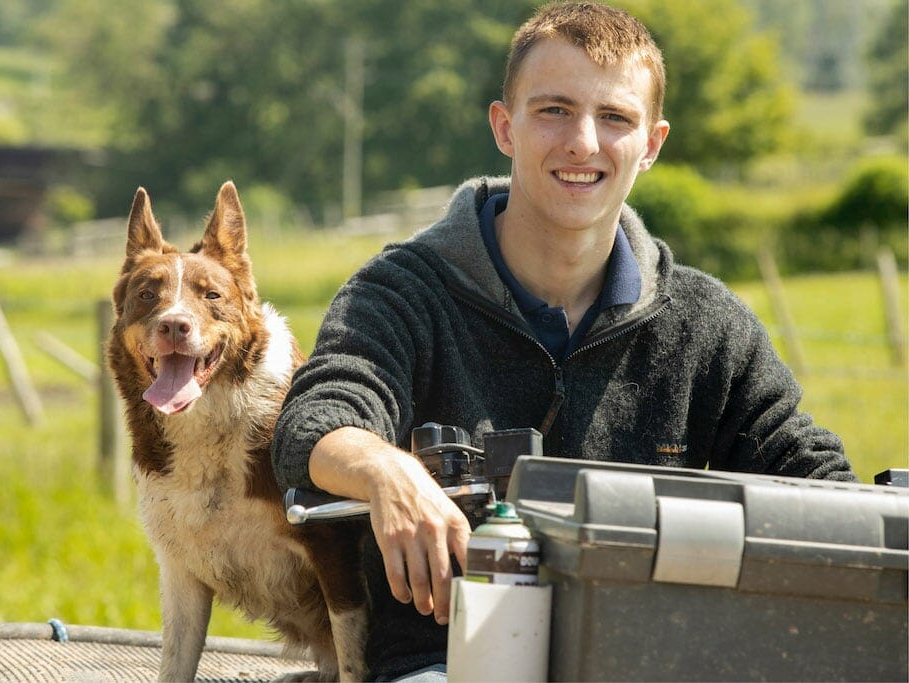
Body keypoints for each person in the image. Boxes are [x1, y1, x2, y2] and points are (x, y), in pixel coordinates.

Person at [272, 1, 856, 679]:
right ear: (504, 127)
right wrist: (386, 469)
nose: (583, 141)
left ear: (653, 142)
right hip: (445, 661)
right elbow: (314, 423)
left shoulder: (705, 324)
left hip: (645, 662)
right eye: (553, 110)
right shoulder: (401, 292)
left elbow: (817, 481)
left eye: (615, 118)